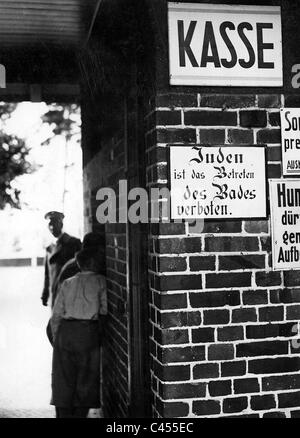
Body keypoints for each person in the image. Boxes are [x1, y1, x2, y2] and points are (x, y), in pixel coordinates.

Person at [50, 246, 107, 418]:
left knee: (63, 378)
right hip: (87, 333)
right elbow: (104, 311)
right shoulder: (101, 281)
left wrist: (56, 339)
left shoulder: (68, 282)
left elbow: (56, 315)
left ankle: (63, 415)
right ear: (91, 262)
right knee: (86, 379)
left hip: (65, 333)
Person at [41, 211, 81, 308]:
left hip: (71, 293)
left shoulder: (73, 243)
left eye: (54, 223)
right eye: (50, 224)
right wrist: (45, 292)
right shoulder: (49, 248)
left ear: (61, 224)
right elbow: (47, 274)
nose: (52, 227)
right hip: (55, 292)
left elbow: (81, 268)